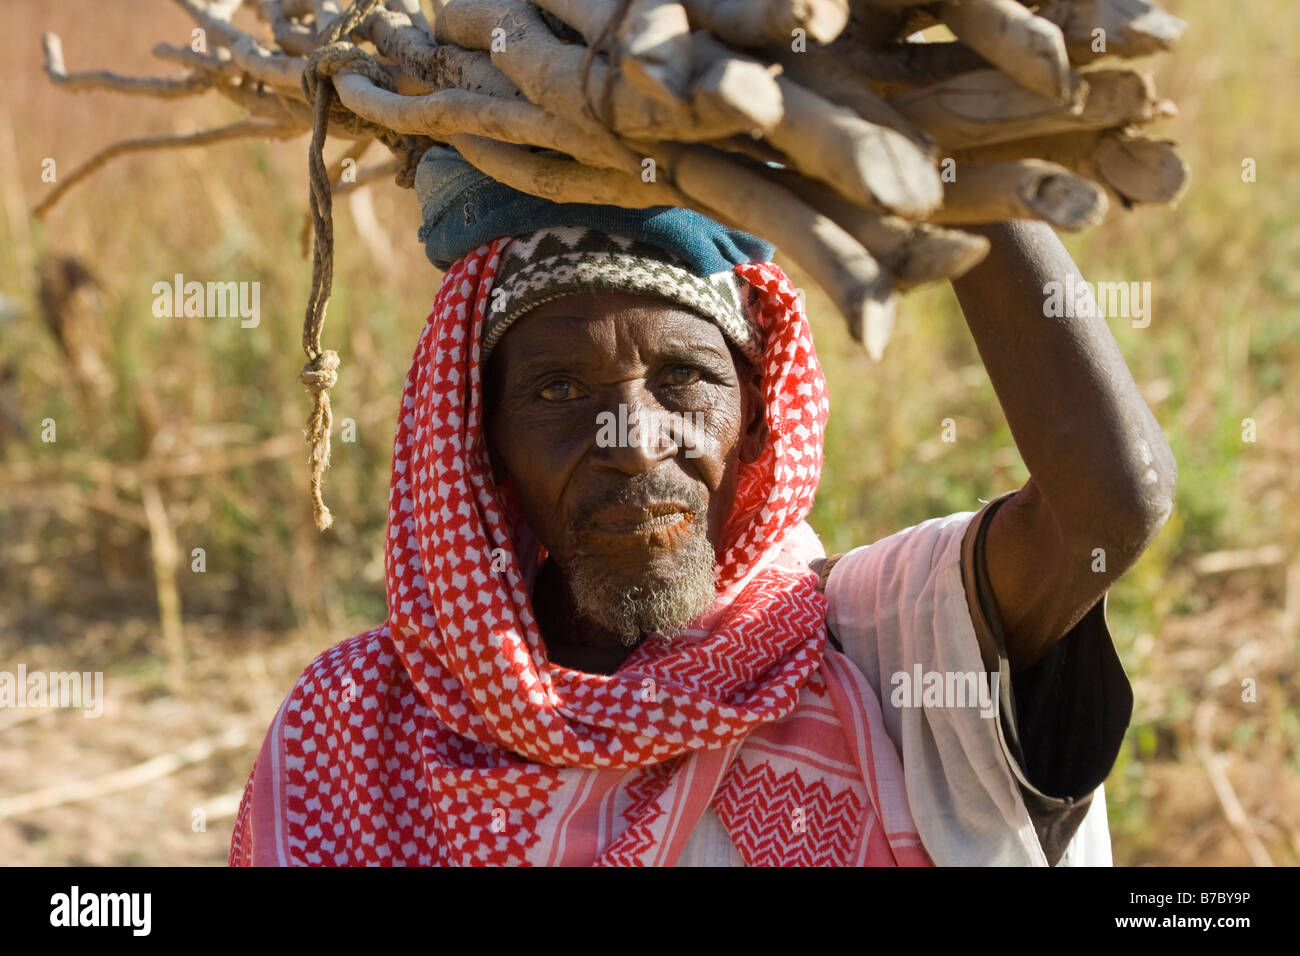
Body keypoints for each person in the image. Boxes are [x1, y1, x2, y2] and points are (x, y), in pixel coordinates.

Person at [228, 146, 1174, 866]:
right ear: (484, 440)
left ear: (758, 415)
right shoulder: (362, 724)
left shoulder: (886, 647)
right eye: (558, 392)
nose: (632, 441)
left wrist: (941, 141)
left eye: (682, 377)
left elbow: (1107, 508)